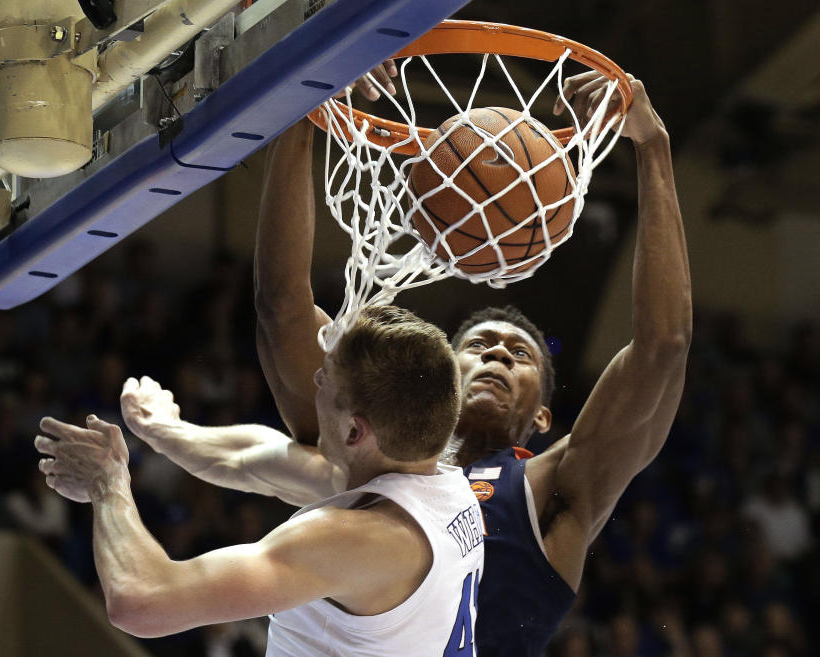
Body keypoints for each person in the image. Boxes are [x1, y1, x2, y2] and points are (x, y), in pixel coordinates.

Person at [121, 71, 691, 656]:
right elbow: (281, 307)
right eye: (477, 346)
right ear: (440, 383)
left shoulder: (553, 491)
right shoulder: (368, 446)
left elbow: (663, 348)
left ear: (543, 417)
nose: (496, 352)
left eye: (519, 354)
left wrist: (653, 147)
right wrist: (310, 97)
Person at [36, 305, 485, 655]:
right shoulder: (439, 485)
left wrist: (107, 483)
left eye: (324, 379)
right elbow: (250, 458)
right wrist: (165, 430)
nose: (314, 379)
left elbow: (143, 600)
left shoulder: (360, 540)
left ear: (354, 431)